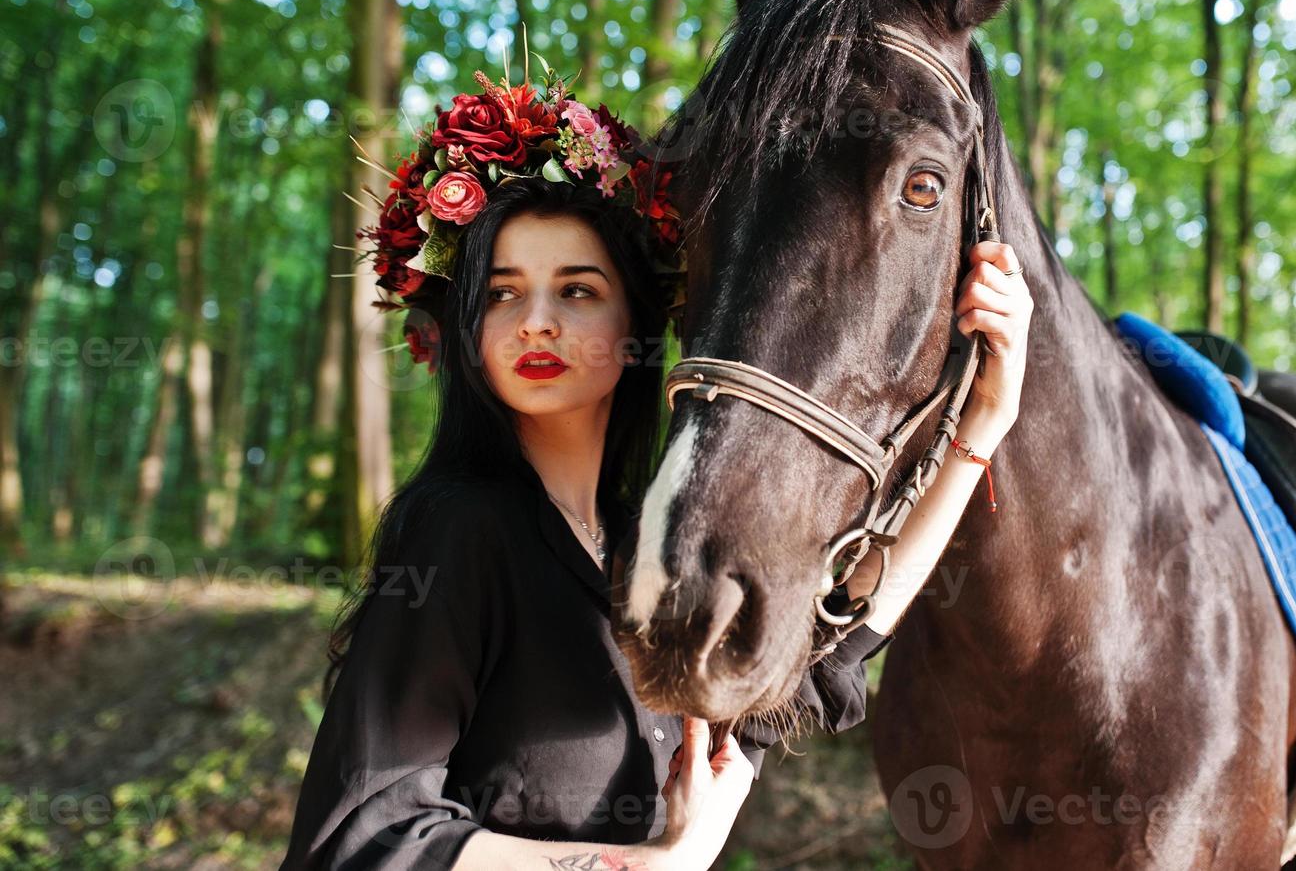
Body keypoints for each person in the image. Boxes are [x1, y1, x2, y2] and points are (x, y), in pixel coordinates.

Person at [281, 58, 1032, 871]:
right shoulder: (459, 529)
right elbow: (363, 837)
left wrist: (983, 424)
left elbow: (824, 656)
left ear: (635, 320)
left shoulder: (648, 540)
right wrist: (647, 867)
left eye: (575, 291)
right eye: (500, 294)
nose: (535, 323)